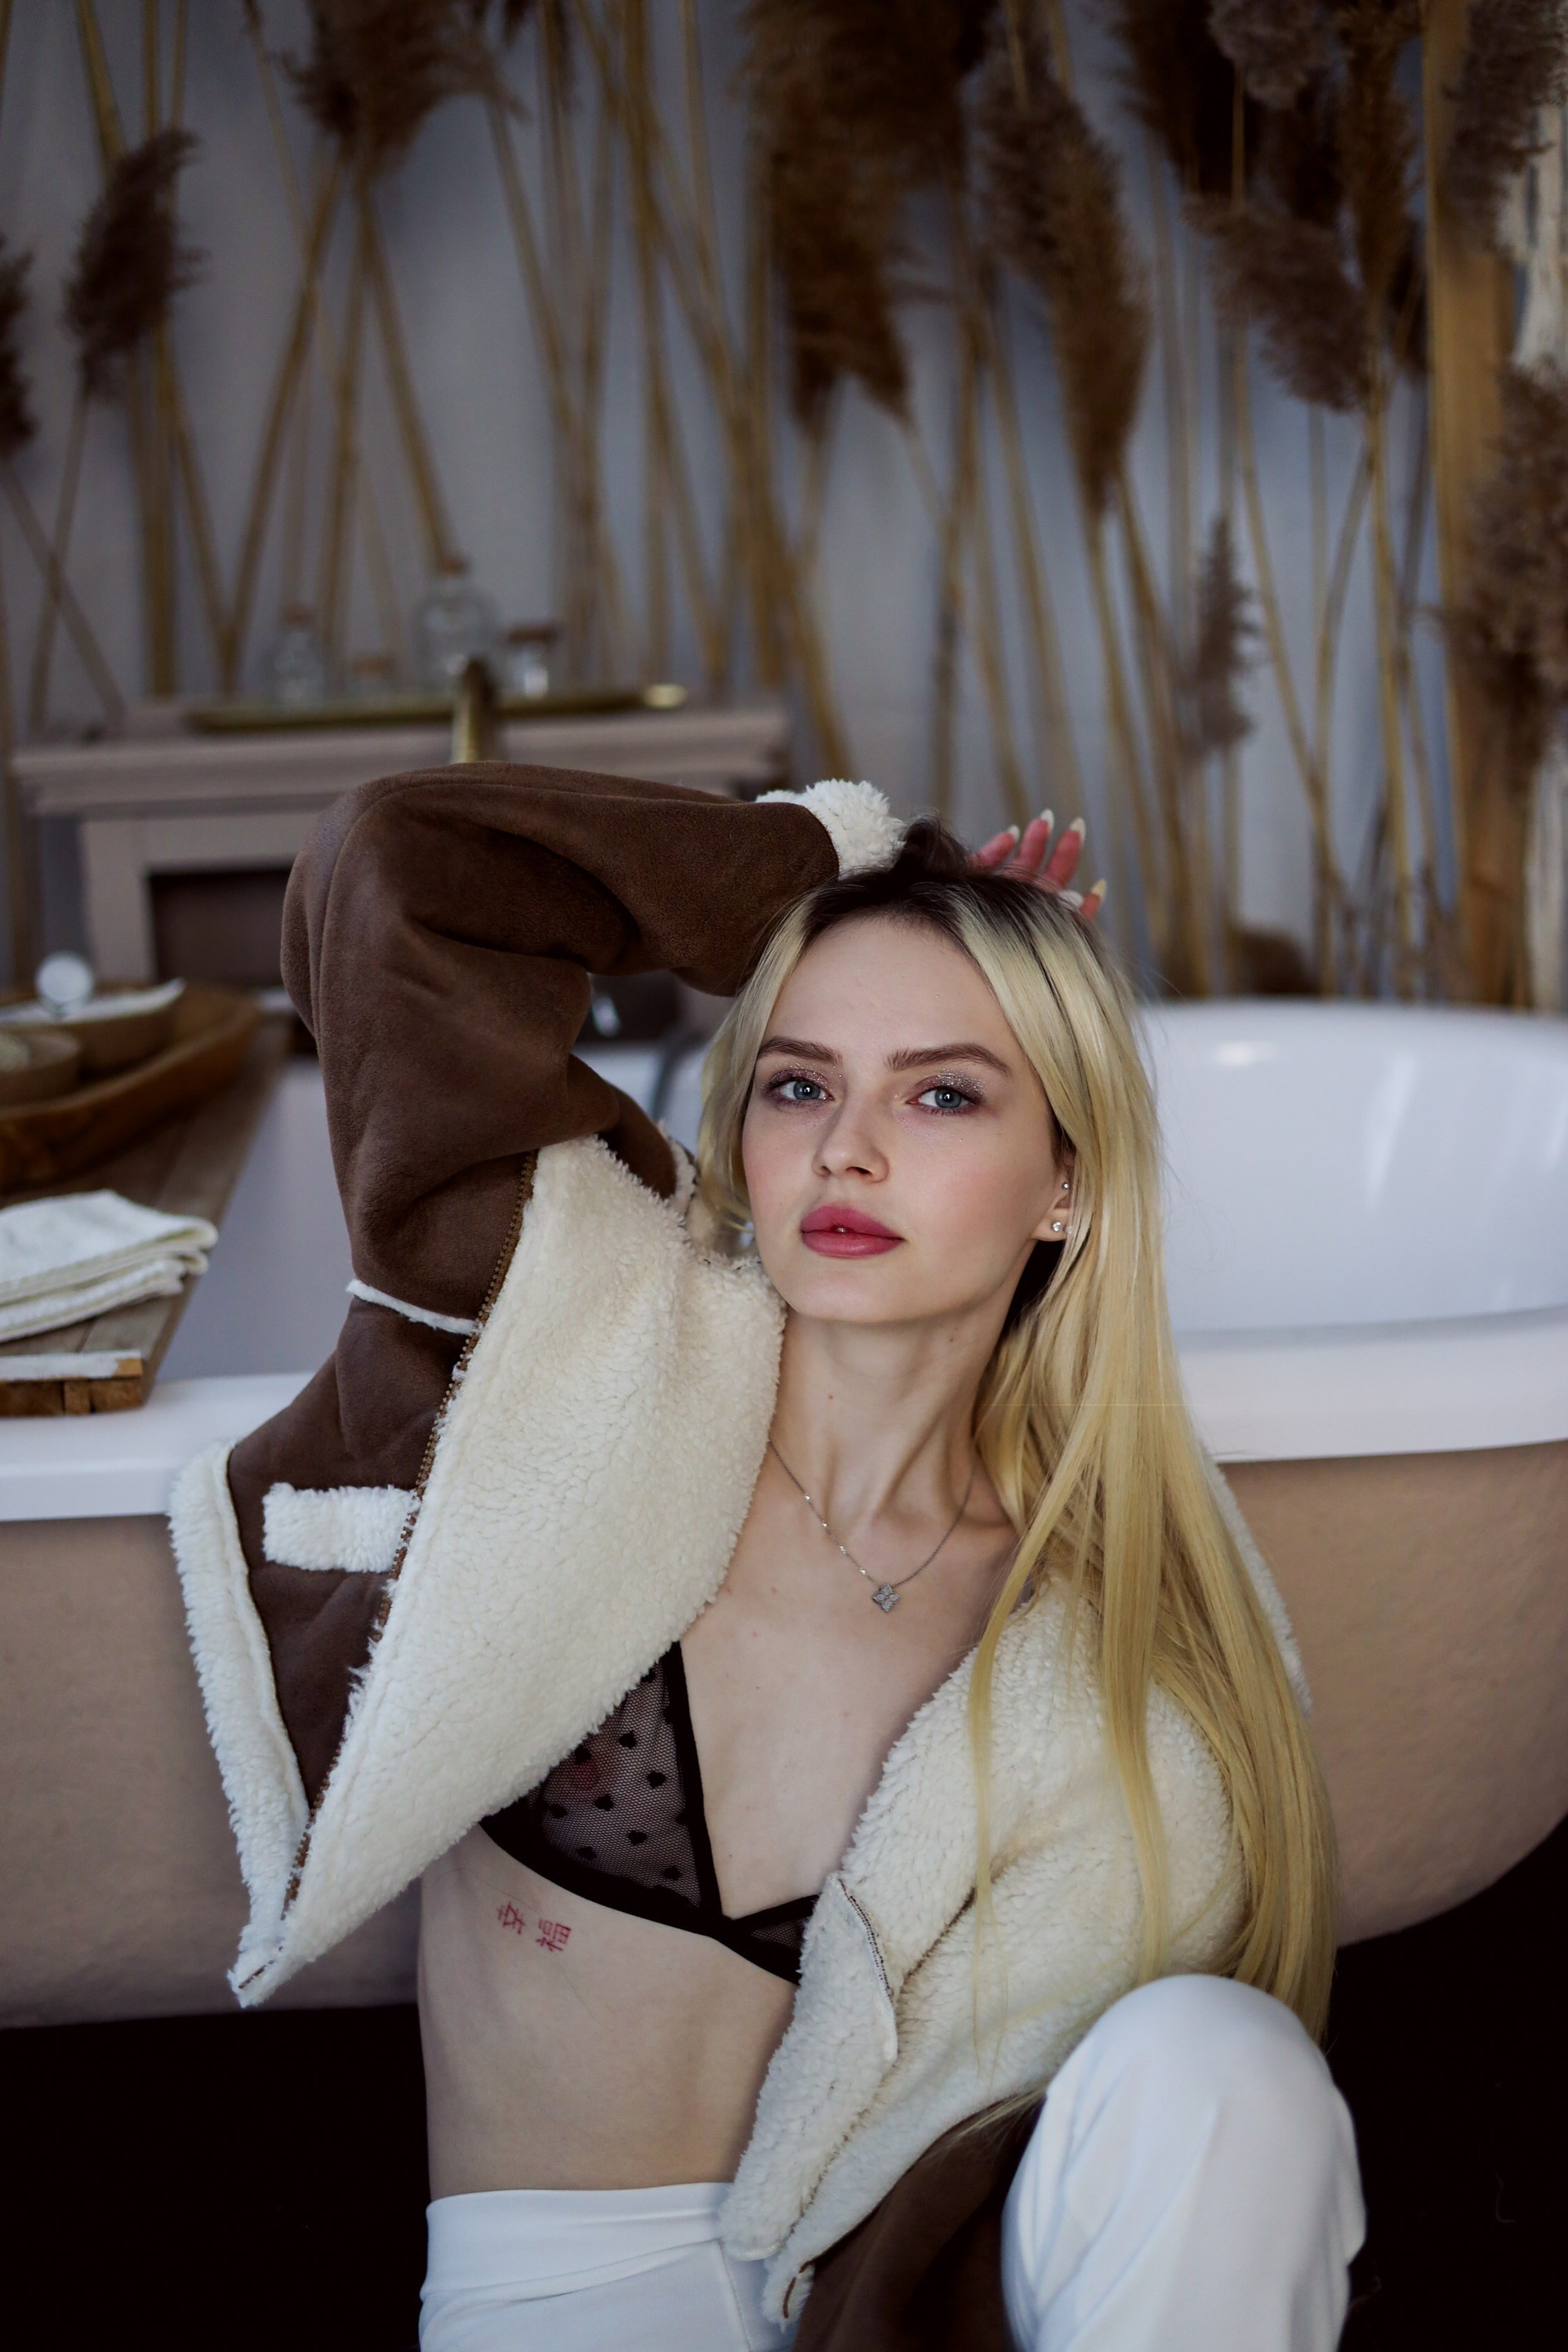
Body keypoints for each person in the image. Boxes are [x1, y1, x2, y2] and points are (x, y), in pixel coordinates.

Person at [171, 767, 1363, 2350]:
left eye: (944, 1096)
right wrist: (852, 866)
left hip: (897, 2294)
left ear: (1065, 1185)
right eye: (800, 1086)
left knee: (1223, 2063)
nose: (848, 1152)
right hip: (563, 2297)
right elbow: (400, 866)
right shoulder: (566, 1359)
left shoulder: (1105, 1627)